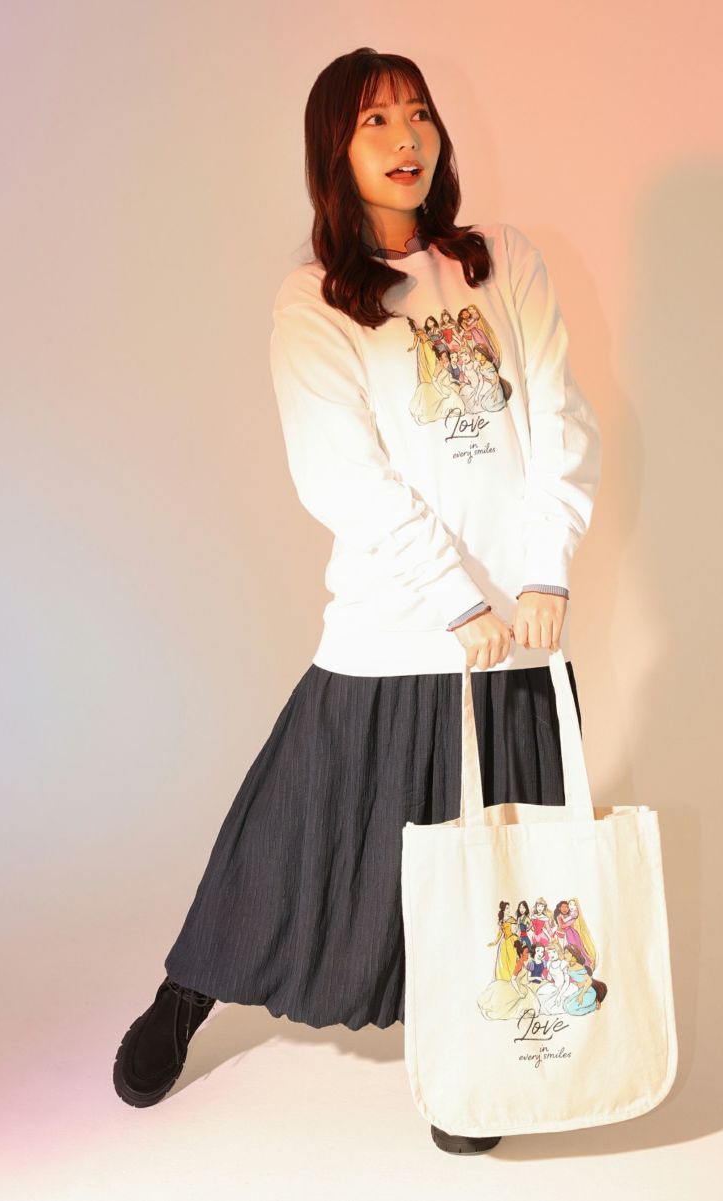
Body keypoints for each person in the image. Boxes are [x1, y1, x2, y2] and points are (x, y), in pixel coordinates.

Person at [112, 47, 602, 1157]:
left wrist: (543, 573)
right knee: (295, 842)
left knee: (499, 876)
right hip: (394, 632)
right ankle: (188, 992)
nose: (405, 135)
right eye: (376, 119)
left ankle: (469, 1061)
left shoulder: (502, 262)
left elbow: (561, 420)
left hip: (519, 641)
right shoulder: (316, 302)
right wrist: (455, 601)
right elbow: (343, 475)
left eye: (418, 112)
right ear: (333, 151)